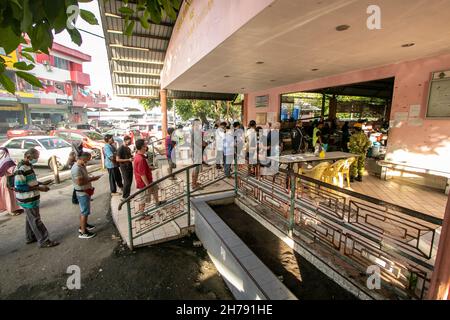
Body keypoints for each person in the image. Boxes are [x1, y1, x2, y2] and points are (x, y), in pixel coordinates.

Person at [14, 148, 59, 248]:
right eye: (36, 157)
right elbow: (20, 187)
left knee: (30, 218)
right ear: (28, 156)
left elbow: (29, 182)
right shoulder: (21, 169)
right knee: (35, 220)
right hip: (27, 198)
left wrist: (41, 183)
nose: (36, 159)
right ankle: (44, 240)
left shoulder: (28, 166)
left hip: (30, 197)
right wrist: (39, 188)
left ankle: (30, 237)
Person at [71, 152, 101, 239]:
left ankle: (83, 226)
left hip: (86, 191)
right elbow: (79, 182)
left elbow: (84, 178)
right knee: (84, 212)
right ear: (83, 159)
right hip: (82, 192)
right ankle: (83, 232)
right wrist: (92, 179)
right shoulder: (76, 168)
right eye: (87, 160)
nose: (88, 161)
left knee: (84, 211)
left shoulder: (81, 166)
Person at [134, 139, 165, 216]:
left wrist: (150, 168)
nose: (146, 147)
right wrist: (148, 186)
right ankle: (142, 215)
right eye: (145, 146)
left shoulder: (139, 156)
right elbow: (142, 174)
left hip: (148, 180)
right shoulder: (140, 159)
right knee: (144, 199)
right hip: (144, 183)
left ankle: (157, 203)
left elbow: (142, 169)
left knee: (155, 189)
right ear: (142, 147)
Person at [0, 147, 23, 216]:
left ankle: (11, 208)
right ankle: (12, 210)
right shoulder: (8, 160)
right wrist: (17, 165)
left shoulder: (1, 161)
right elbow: (12, 171)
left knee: (7, 196)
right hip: (9, 180)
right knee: (11, 196)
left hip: (3, 181)